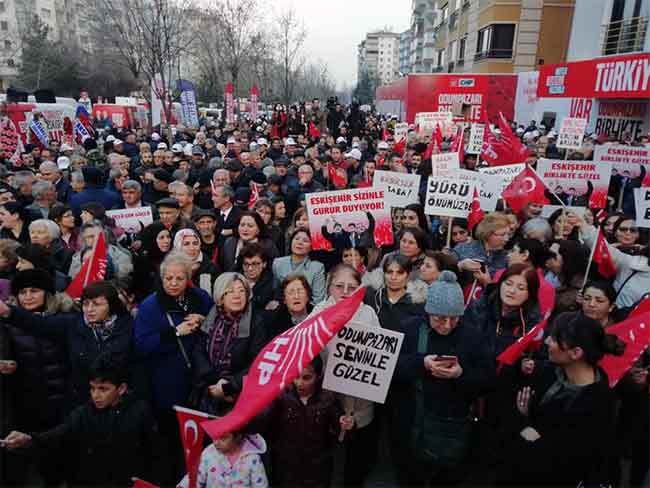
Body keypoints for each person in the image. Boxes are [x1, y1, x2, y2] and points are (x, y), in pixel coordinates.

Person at [499, 314, 624, 486]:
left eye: (555, 339)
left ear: (575, 353)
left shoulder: (598, 404)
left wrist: (524, 422)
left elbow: (555, 457)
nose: (547, 342)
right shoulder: (548, 371)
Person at [394, 271, 494, 486]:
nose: (447, 325)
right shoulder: (410, 329)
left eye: (454, 318)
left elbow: (488, 380)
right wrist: (421, 364)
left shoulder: (473, 336)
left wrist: (461, 374)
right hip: (412, 421)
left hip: (452, 425)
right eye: (439, 318)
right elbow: (391, 368)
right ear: (428, 312)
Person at [0, 352, 155, 488]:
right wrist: (28, 439)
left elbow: (154, 455)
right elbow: (57, 434)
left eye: (103, 389)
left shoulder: (140, 412)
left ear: (121, 389)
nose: (95, 395)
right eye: (92, 388)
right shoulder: (82, 413)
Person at [134, 252, 213, 484]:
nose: (173, 283)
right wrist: (175, 332)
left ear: (188, 277)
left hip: (199, 381)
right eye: (168, 278)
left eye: (179, 278)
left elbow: (216, 327)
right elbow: (140, 345)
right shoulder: (150, 305)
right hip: (166, 384)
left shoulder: (201, 298)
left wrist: (202, 322)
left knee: (201, 441)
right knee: (172, 444)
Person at [0, 280, 139, 409]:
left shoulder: (129, 326)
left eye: (97, 304)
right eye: (85, 304)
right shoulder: (72, 324)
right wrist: (8, 312)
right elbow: (38, 323)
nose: (89, 309)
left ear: (111, 306)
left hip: (119, 404)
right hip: (81, 405)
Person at [1, 269, 74, 486]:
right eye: (23, 292)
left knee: (59, 466)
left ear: (48, 294)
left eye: (34, 290)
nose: (28, 296)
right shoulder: (7, 326)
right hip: (25, 406)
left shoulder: (65, 320)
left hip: (62, 403)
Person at [313, 264, 382, 486]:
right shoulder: (319, 312)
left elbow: (380, 355)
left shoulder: (368, 313)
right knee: (325, 460)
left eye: (351, 287)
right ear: (329, 286)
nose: (344, 292)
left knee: (355, 463)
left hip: (360, 402)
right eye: (339, 286)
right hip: (327, 399)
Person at [254, 356, 351, 488]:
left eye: (306, 378)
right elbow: (261, 424)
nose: (299, 383)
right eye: (296, 376)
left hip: (317, 470)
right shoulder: (281, 395)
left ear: (318, 376)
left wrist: (347, 425)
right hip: (285, 468)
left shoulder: (328, 399)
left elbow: (341, 433)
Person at [190, 272, 267, 416]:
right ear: (220, 298)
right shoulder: (211, 316)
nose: (237, 296)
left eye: (241, 290)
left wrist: (228, 387)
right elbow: (198, 351)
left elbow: (257, 363)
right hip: (208, 389)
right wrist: (214, 381)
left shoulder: (256, 322)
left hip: (237, 396)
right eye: (230, 291)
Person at [176, 429, 268, 488]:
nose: (216, 442)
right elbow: (194, 478)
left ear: (238, 437)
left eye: (223, 438)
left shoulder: (252, 459)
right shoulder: (209, 452)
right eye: (214, 436)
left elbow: (260, 485)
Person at [500, 239, 556, 317]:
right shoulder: (501, 273)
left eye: (513, 251)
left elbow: (542, 321)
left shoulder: (545, 288)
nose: (509, 255)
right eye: (508, 284)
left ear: (525, 255)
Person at [454, 212, 510, 286]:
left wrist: (488, 283)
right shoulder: (462, 249)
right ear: (487, 234)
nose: (507, 239)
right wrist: (460, 266)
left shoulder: (506, 258)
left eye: (508, 234)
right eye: (502, 235)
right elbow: (444, 274)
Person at [272, 228, 326, 304]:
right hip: (282, 307)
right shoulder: (278, 263)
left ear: (311, 247)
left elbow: (318, 299)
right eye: (296, 239)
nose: (300, 243)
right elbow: (274, 290)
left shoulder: (317, 267)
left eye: (305, 241)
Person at [173, 228, 220, 297]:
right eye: (186, 244)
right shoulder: (170, 269)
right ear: (178, 247)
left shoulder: (212, 268)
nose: (192, 248)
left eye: (195, 243)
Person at [132, 222, 172, 302]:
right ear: (152, 238)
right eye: (161, 238)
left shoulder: (173, 257)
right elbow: (140, 289)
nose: (166, 241)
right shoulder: (142, 261)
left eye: (168, 237)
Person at [237, 243, 274, 313]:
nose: (250, 268)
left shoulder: (272, 282)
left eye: (255, 264)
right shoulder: (234, 279)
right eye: (246, 264)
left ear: (264, 264)